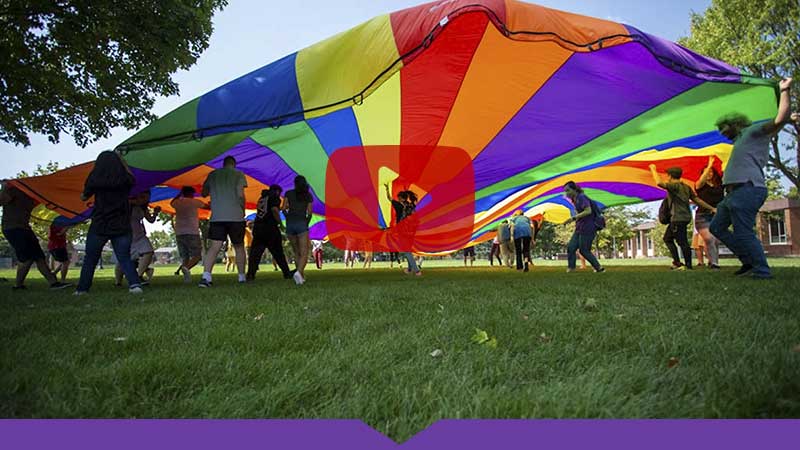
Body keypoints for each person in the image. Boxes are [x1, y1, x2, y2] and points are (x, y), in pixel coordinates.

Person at [711, 78, 793, 279]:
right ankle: (748, 262)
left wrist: (784, 90)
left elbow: (780, 119)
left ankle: (761, 270)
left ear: (736, 124)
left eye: (724, 127)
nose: (722, 133)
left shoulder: (753, 132)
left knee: (743, 231)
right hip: (732, 194)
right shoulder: (739, 141)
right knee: (716, 227)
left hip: (747, 189)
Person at [75, 151, 142, 295]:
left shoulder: (94, 178)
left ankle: (82, 289)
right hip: (121, 223)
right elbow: (132, 178)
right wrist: (122, 162)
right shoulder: (124, 179)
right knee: (124, 257)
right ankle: (135, 285)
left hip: (100, 223)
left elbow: (83, 197)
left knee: (90, 258)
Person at [0, 183, 71, 290]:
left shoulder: (32, 197)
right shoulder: (14, 190)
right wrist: (4, 187)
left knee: (39, 257)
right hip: (13, 228)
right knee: (26, 258)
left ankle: (53, 283)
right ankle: (18, 285)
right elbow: (2, 200)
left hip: (25, 228)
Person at [649, 165, 716, 270]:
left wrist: (653, 169)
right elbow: (697, 200)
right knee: (668, 238)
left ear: (670, 176)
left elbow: (659, 183)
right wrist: (711, 208)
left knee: (682, 242)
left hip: (677, 218)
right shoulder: (686, 187)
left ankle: (687, 265)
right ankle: (677, 262)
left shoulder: (674, 186)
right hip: (684, 217)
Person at [198, 156, 248, 287]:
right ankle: (242, 277)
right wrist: (242, 209)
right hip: (235, 215)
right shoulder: (239, 174)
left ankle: (206, 277)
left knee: (214, 247)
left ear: (223, 164)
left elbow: (203, 193)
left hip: (217, 216)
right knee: (239, 246)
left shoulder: (213, 174)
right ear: (234, 164)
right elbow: (240, 194)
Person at [247, 186, 292, 281]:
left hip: (258, 227)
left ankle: (250, 274)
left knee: (255, 253)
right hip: (270, 228)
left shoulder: (262, 198)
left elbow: (268, 210)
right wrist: (280, 224)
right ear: (276, 191)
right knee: (278, 252)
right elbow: (274, 210)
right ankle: (286, 273)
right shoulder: (274, 197)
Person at [562, 181, 605, 273]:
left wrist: (573, 218)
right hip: (580, 227)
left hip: (588, 226)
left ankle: (599, 268)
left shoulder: (581, 197)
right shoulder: (575, 199)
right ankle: (571, 268)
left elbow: (588, 211)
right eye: (565, 191)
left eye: (568, 190)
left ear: (574, 189)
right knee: (571, 247)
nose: (567, 193)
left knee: (584, 250)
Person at [171, 186, 208, 283]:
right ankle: (186, 268)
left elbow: (171, 202)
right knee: (197, 256)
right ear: (192, 194)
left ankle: (186, 277)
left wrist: (179, 194)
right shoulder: (194, 202)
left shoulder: (177, 202)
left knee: (185, 256)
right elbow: (207, 207)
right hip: (192, 231)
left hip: (179, 232)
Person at [385, 184, 422, 276]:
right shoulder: (411, 205)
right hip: (411, 231)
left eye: (398, 198)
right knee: (408, 249)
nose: (397, 199)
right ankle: (409, 270)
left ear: (401, 198)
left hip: (402, 231)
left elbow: (389, 198)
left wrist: (386, 189)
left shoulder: (398, 205)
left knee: (407, 251)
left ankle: (417, 270)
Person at [695, 157, 724, 270]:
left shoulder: (719, 186)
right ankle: (714, 264)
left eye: (711, 172)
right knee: (709, 239)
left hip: (717, 215)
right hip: (702, 216)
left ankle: (713, 261)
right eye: (707, 172)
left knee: (715, 240)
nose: (709, 174)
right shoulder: (700, 185)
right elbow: (701, 181)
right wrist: (710, 164)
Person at [283, 175, 314, 285]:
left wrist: (288, 217)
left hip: (290, 224)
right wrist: (306, 222)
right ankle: (299, 272)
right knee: (304, 252)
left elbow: (283, 208)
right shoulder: (308, 196)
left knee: (296, 251)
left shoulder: (288, 193)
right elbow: (309, 212)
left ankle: (301, 276)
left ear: (295, 183)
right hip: (302, 224)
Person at [129, 191, 160, 283]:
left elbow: (150, 220)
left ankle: (138, 276)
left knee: (149, 251)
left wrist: (155, 213)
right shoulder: (126, 203)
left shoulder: (143, 207)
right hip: (126, 233)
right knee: (124, 258)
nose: (145, 199)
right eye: (142, 197)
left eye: (147, 197)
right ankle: (118, 282)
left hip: (139, 235)